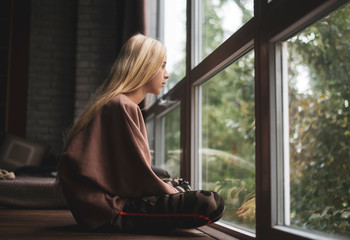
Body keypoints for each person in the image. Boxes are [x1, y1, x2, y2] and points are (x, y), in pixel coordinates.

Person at [57, 33, 225, 232]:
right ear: (144, 66)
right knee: (212, 202)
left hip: (99, 206)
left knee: (179, 183)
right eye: (162, 65)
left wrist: (173, 188)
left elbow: (127, 173)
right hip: (109, 210)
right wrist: (172, 191)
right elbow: (135, 178)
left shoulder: (116, 103)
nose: (167, 73)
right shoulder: (121, 105)